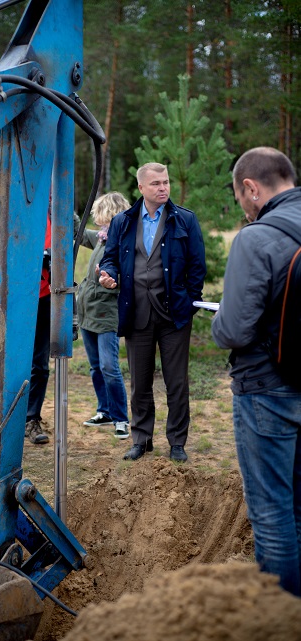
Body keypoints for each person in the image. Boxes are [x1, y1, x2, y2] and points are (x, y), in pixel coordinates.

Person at [211, 146, 301, 597]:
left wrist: (216, 318)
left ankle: (280, 617)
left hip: (268, 390)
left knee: (272, 514)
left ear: (251, 188)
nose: (244, 208)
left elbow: (234, 330)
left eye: (241, 198)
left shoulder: (257, 238)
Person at [99, 162, 206, 462]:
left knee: (177, 383)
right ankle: (141, 439)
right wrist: (108, 274)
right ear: (141, 188)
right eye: (156, 183)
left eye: (166, 182)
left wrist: (189, 301)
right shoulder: (123, 222)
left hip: (175, 316)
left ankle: (177, 443)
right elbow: (110, 259)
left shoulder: (185, 219)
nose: (163, 188)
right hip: (137, 314)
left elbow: (198, 266)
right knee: (140, 383)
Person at [77, 192, 131, 439]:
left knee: (109, 367)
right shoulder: (102, 238)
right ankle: (105, 411)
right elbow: (81, 232)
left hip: (107, 313)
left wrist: (112, 281)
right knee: (96, 366)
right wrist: (61, 206)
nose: (95, 217)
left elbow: (128, 279)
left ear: (110, 212)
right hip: (89, 311)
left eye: (99, 211)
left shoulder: (123, 241)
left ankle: (121, 418)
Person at [24, 209, 52, 445]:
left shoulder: (56, 216)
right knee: (12, 361)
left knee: (40, 365)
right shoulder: (16, 210)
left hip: (45, 298)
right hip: (17, 297)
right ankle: (7, 417)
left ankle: (31, 418)